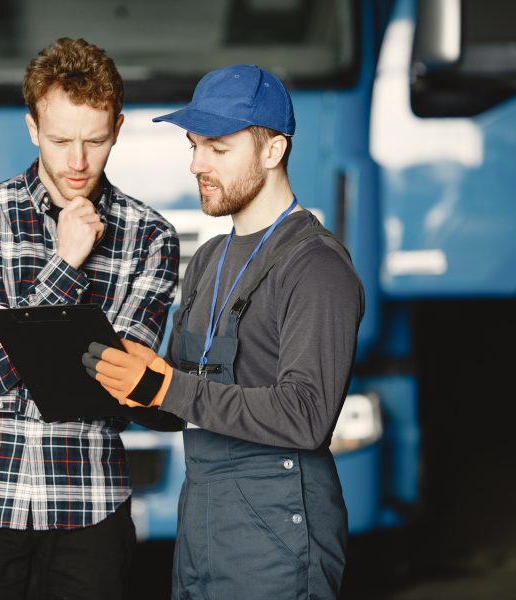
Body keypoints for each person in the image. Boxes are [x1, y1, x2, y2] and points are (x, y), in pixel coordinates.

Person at [83, 64, 365, 599]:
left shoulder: (316, 267)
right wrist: (127, 384)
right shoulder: (209, 258)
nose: (196, 165)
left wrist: (166, 386)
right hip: (202, 529)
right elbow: (179, 404)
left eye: (217, 147)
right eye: (193, 146)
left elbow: (307, 418)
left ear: (273, 151)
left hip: (279, 537)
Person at [0, 38, 179, 600]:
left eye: (94, 140)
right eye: (60, 140)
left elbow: (115, 385)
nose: (77, 162)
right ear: (33, 128)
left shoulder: (152, 237)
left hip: (90, 500)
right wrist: (67, 262)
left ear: (118, 128)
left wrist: (4, 375)